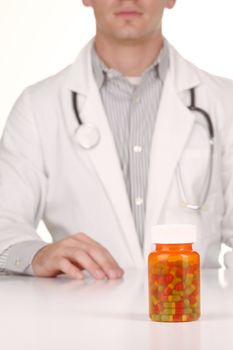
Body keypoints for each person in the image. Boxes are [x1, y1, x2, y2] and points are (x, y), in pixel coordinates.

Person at [1, 0, 233, 281]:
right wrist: (37, 255)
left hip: (191, 313)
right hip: (78, 317)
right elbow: (5, 220)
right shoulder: (38, 107)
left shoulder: (224, 102)